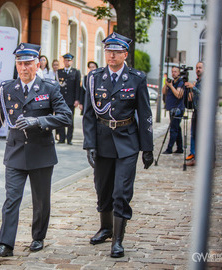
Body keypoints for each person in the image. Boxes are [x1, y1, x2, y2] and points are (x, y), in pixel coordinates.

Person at [0, 43, 72, 257]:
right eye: (20, 63)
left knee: (41, 200)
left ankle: (38, 237)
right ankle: (5, 244)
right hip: (15, 151)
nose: (23, 68)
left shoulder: (49, 88)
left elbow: (66, 116)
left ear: (37, 63)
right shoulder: (7, 88)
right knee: (12, 198)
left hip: (41, 153)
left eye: (28, 63)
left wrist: (38, 121)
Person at [82, 32, 154, 258]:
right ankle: (105, 228)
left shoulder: (136, 78)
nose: (111, 55)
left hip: (127, 141)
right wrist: (89, 144)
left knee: (121, 192)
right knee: (102, 189)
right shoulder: (94, 77)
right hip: (102, 141)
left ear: (125, 54)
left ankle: (118, 240)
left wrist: (148, 148)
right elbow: (88, 115)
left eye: (116, 52)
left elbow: (145, 113)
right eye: (108, 51)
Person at [56, 53, 81, 145]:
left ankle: (69, 139)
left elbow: (77, 87)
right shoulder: (59, 72)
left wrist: (77, 99)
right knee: (60, 119)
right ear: (63, 61)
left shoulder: (76, 72)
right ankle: (61, 138)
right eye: (66, 60)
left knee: (70, 120)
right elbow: (57, 87)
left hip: (71, 100)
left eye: (69, 60)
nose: (68, 62)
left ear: (72, 61)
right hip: (61, 100)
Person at [162, 66, 185, 154]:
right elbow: (164, 92)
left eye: (175, 71)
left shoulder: (180, 82)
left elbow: (179, 95)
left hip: (178, 109)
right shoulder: (172, 82)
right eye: (172, 71)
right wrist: (166, 84)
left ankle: (169, 148)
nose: (173, 73)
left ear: (179, 73)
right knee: (177, 129)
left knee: (173, 129)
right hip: (171, 108)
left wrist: (171, 86)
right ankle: (180, 148)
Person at [184, 61, 203, 166]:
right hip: (196, 110)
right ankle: (194, 156)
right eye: (196, 68)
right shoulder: (198, 81)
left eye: (200, 67)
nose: (198, 69)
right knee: (194, 134)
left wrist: (193, 88)